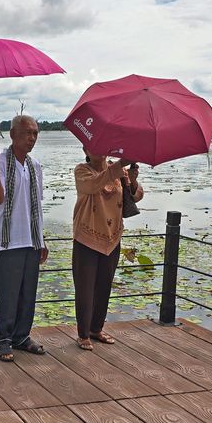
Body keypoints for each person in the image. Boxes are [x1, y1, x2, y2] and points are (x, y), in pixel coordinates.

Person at [0, 115, 48, 362]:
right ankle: (3, 339)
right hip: (8, 238)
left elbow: (38, 205)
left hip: (31, 238)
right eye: (26, 133)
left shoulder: (35, 166)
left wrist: (42, 238)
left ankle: (22, 336)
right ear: (12, 134)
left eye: (35, 133)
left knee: (27, 292)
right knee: (7, 293)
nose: (32, 138)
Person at [72, 148, 143, 350]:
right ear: (85, 150)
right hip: (87, 236)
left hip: (112, 237)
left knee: (104, 285)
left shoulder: (117, 170)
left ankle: (96, 329)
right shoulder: (82, 171)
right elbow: (94, 185)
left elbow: (135, 196)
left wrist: (132, 179)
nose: (99, 151)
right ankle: (83, 334)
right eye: (93, 146)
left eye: (103, 146)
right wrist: (120, 165)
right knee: (85, 288)